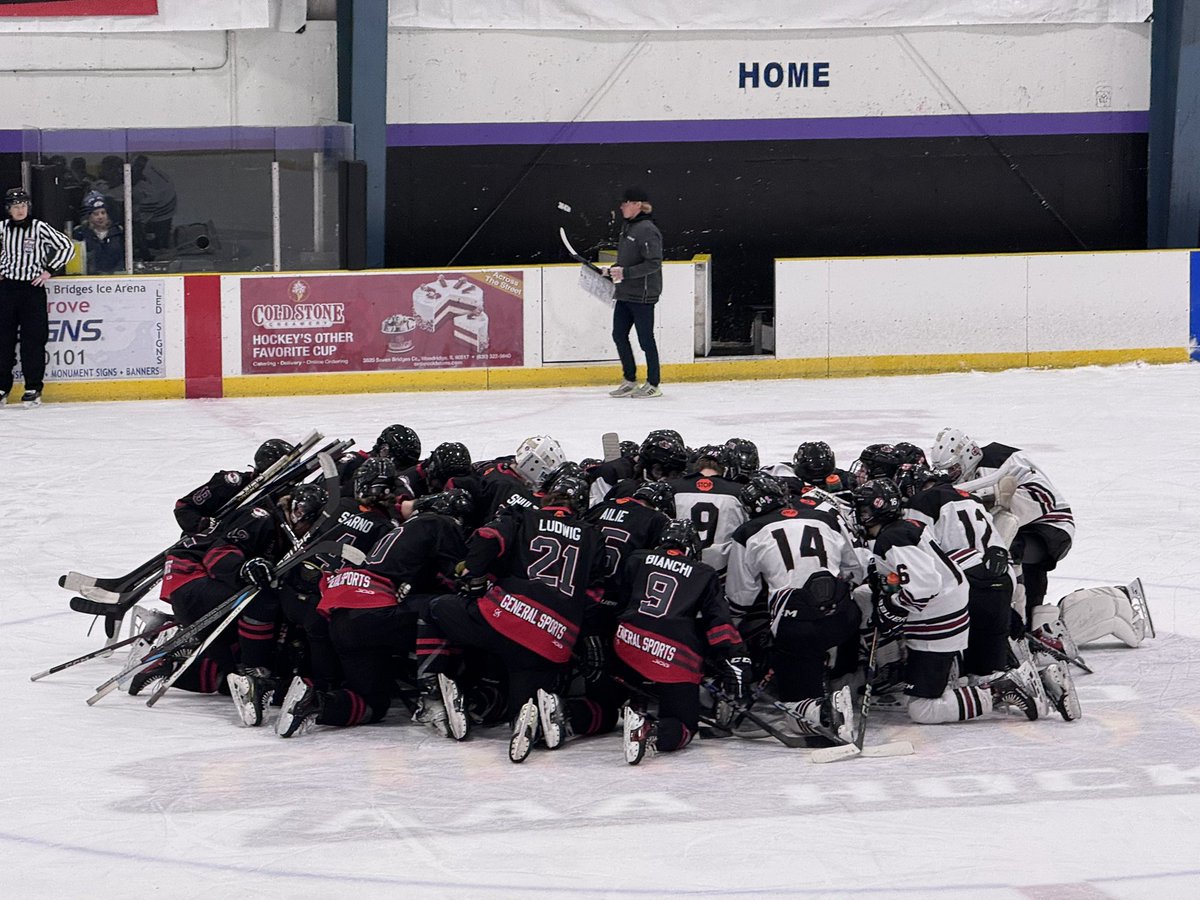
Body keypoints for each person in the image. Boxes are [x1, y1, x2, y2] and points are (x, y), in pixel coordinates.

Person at [0, 187, 75, 407]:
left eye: (23, 205)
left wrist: (49, 270)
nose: (20, 210)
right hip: (7, 289)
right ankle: (3, 386)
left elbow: (66, 247)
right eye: (15, 206)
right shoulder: (3, 228)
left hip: (32, 290)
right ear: (9, 209)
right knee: (3, 341)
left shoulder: (39, 227)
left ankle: (33, 387)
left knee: (33, 340)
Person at [605, 186, 664, 400]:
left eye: (625, 202)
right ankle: (630, 380)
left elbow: (654, 263)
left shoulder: (647, 229)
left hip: (643, 295)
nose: (621, 206)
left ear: (637, 204)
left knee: (645, 339)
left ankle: (653, 383)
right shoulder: (628, 227)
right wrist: (612, 270)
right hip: (625, 293)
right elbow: (626, 260)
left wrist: (626, 272)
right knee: (619, 334)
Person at [130, 154, 177, 261]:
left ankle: (149, 249)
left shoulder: (153, 187)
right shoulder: (147, 167)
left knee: (138, 224)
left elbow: (139, 219)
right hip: (164, 202)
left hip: (163, 205)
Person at [73, 193, 126, 275]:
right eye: (96, 214)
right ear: (89, 216)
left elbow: (123, 258)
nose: (100, 217)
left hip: (116, 278)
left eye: (103, 212)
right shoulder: (80, 233)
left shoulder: (118, 231)